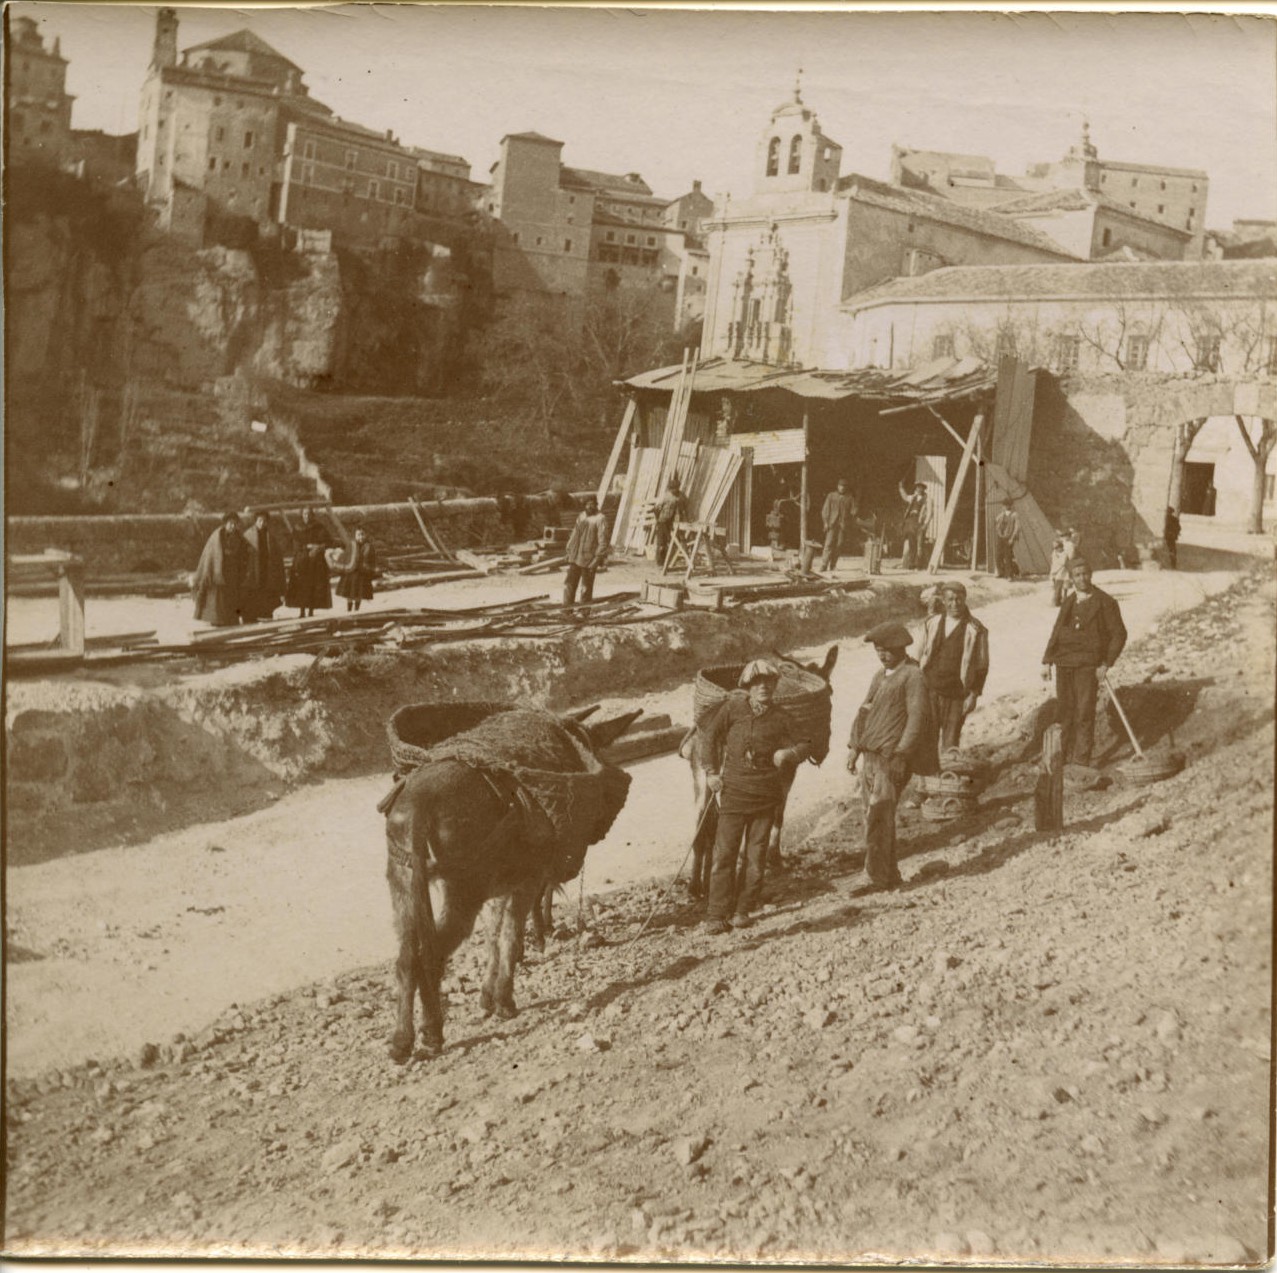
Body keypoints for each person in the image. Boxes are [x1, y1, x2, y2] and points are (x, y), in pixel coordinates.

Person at [701, 660, 812, 933]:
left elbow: (806, 742)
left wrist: (791, 754)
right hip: (734, 795)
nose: (764, 687)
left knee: (755, 856)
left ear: (776, 686)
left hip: (766, 796)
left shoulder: (782, 716)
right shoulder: (732, 709)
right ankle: (716, 914)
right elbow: (709, 738)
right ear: (747, 687)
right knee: (724, 855)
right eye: (757, 683)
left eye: (769, 682)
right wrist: (711, 773)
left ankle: (742, 910)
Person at [846, 622, 934, 893]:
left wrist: (901, 755)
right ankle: (889, 873)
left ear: (901, 648)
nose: (882, 655)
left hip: (891, 757)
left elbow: (917, 720)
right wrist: (854, 747)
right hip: (870, 757)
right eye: (878, 650)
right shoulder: (880, 676)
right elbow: (864, 711)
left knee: (879, 814)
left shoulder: (912, 676)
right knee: (872, 814)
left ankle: (874, 876)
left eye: (886, 650)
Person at [1041, 558, 1128, 768]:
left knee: (1084, 711)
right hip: (1064, 663)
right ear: (1071, 579)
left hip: (1088, 665)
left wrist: (1106, 663)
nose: (1082, 578)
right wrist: (1047, 660)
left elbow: (1119, 634)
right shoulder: (1070, 601)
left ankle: (1081, 761)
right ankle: (1062, 757)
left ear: (1091, 575)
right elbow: (1057, 630)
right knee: (1065, 710)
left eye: (1085, 574)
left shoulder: (1105, 602)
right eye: (1077, 575)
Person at [917, 581, 989, 753]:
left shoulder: (976, 629)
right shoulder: (931, 623)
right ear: (943, 600)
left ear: (965, 600)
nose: (954, 604)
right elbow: (918, 655)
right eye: (950, 599)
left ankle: (947, 777)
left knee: (950, 742)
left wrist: (973, 695)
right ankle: (928, 778)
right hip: (930, 689)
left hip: (957, 694)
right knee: (927, 737)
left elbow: (982, 666)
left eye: (958, 599)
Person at [192, 511, 247, 627]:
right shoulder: (217, 536)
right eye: (230, 523)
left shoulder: (239, 538)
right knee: (218, 600)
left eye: (235, 524)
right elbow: (210, 555)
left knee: (232, 598)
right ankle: (217, 621)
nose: (232, 526)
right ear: (225, 524)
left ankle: (231, 621)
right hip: (218, 571)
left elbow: (243, 555)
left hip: (233, 573)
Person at [285, 507, 334, 618]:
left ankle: (311, 610)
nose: (307, 516)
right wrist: (306, 547)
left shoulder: (319, 527)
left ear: (312, 515)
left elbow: (329, 542)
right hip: (302, 561)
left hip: (316, 562)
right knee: (301, 586)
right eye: (305, 514)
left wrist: (318, 547)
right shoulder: (297, 528)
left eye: (309, 514)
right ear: (302, 515)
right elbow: (294, 544)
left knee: (314, 585)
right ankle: (302, 611)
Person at [241, 511, 287, 623]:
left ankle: (265, 614)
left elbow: (277, 555)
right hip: (253, 571)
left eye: (264, 521)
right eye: (260, 521)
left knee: (265, 593)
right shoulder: (248, 535)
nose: (262, 523)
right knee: (252, 594)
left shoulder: (270, 536)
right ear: (255, 521)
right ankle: (250, 617)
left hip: (266, 569)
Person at [563, 496, 608, 606]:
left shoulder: (600, 518)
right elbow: (574, 534)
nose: (589, 506)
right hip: (575, 556)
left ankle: (583, 612)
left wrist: (597, 559)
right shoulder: (581, 516)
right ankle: (567, 610)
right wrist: (569, 550)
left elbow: (603, 541)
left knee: (586, 587)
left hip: (589, 559)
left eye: (592, 504)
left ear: (596, 504)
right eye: (587, 504)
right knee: (569, 584)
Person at [336, 524, 379, 613]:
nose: (360, 537)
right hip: (351, 573)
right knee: (350, 593)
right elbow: (346, 557)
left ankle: (356, 610)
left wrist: (371, 569)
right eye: (358, 535)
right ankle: (349, 609)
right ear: (355, 536)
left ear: (366, 535)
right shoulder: (351, 545)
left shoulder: (368, 547)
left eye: (362, 534)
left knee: (359, 593)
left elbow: (372, 559)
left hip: (362, 574)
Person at [819, 478, 859, 573]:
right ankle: (824, 565)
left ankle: (833, 565)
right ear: (837, 486)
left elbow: (854, 510)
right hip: (832, 524)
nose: (842, 488)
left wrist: (854, 510)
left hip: (842, 525)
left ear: (846, 488)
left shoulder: (849, 498)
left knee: (839, 545)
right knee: (828, 544)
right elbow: (825, 510)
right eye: (840, 486)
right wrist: (825, 522)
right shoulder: (831, 496)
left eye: (844, 486)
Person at [653, 477, 686, 568]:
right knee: (662, 542)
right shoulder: (665, 496)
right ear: (670, 488)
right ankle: (660, 562)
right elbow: (656, 508)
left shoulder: (681, 496)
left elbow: (684, 507)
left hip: (673, 522)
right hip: (663, 521)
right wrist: (658, 519)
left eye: (676, 488)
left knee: (672, 541)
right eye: (673, 489)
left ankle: (670, 560)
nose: (675, 490)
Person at [898, 480, 929, 570]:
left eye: (921, 487)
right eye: (918, 487)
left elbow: (929, 513)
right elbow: (905, 497)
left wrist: (925, 524)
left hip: (920, 523)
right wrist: (901, 488)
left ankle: (918, 565)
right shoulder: (913, 497)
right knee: (912, 544)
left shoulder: (927, 499)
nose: (919, 488)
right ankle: (911, 564)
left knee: (919, 545)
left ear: (923, 489)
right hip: (911, 522)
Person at [995, 501, 1021, 579]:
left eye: (1008, 505)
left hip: (1009, 537)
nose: (1006, 506)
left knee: (1008, 556)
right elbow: (996, 521)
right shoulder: (1002, 514)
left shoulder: (1014, 515)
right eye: (1005, 505)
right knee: (998, 556)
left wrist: (1012, 538)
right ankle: (1000, 572)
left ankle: (1009, 575)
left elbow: (1017, 527)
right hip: (1001, 537)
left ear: (1011, 505)